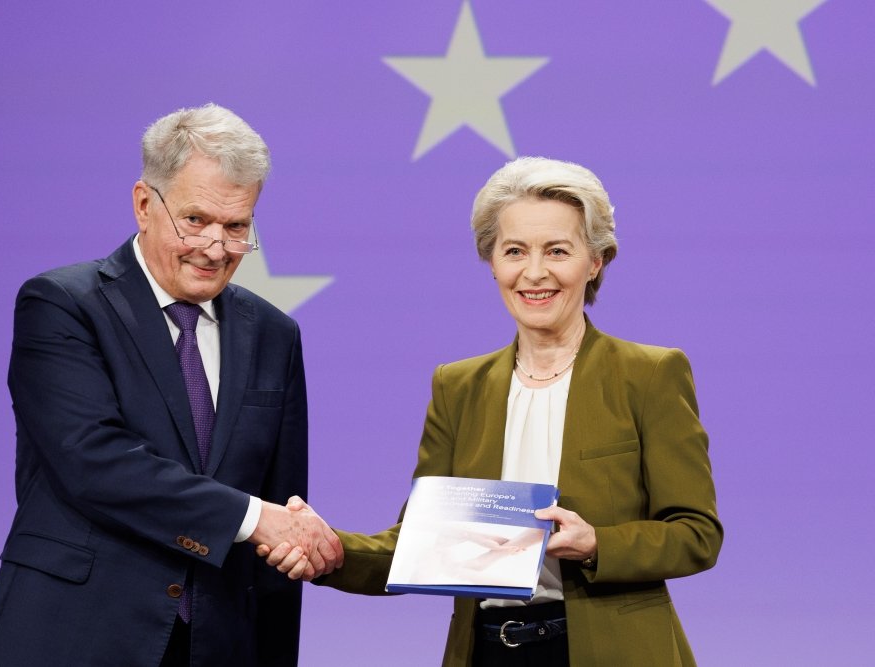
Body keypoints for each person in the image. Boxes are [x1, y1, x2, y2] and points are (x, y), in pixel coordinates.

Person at [261, 157, 723, 666]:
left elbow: (696, 534)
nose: (534, 272)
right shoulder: (457, 386)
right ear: (492, 261)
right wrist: (333, 550)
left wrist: (597, 544)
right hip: (485, 650)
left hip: (613, 650)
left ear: (595, 261)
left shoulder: (650, 374)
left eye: (557, 251)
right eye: (514, 251)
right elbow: (422, 544)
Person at [0, 103, 343, 667]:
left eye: (237, 227)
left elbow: (277, 526)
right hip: (72, 636)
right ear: (144, 203)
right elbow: (94, 462)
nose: (215, 247)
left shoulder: (274, 334)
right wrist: (255, 517)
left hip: (216, 646)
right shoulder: (64, 305)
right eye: (196, 220)